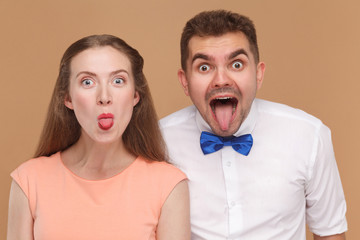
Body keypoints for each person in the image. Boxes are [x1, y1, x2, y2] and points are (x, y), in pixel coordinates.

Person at [160, 10, 347, 240]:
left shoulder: (309, 135)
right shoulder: (158, 142)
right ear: (184, 81)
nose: (221, 80)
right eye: (204, 67)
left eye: (236, 64)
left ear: (258, 74)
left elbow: (330, 233)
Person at [7, 34, 190, 240]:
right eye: (87, 82)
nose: (104, 97)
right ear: (68, 98)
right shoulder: (29, 181)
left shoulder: (168, 184)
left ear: (135, 96)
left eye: (118, 80)